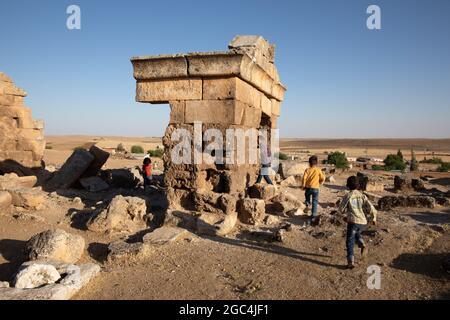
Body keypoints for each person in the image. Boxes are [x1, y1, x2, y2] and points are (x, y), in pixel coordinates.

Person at [338, 175, 377, 269]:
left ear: (347, 185)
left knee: (350, 241)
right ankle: (362, 243)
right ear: (358, 185)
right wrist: (374, 218)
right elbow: (371, 208)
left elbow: (341, 209)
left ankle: (350, 261)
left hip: (353, 222)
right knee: (357, 233)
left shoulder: (348, 196)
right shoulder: (362, 196)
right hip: (363, 222)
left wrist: (344, 216)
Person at [302, 155, 325, 225]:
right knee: (315, 201)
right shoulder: (318, 170)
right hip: (316, 188)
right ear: (317, 163)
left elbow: (304, 178)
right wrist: (320, 183)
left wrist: (303, 185)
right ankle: (313, 215)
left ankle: (307, 205)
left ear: (309, 163)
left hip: (308, 188)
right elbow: (322, 178)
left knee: (307, 196)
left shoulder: (307, 170)